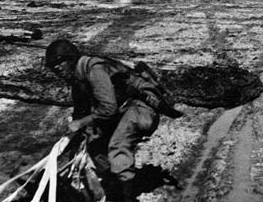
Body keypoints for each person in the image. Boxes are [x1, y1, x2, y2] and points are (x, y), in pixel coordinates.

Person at [45, 39, 181, 202]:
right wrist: (71, 137)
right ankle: (116, 186)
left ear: (71, 58)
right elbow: (81, 111)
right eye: (53, 66)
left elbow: (108, 109)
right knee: (96, 146)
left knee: (117, 146)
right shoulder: (77, 79)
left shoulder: (94, 69)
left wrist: (80, 123)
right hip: (122, 110)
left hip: (140, 107)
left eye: (60, 62)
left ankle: (127, 197)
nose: (57, 68)